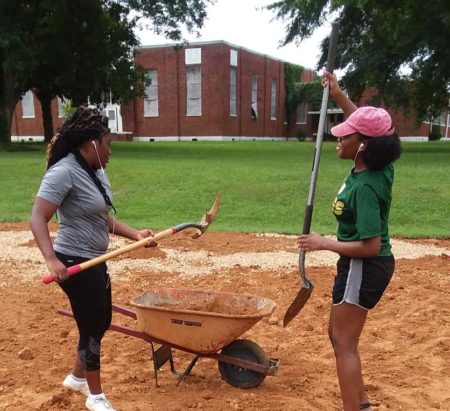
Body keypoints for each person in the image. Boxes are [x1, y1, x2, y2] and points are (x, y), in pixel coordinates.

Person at [30, 107, 155, 411]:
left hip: (96, 259)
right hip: (74, 261)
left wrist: (135, 234)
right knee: (93, 325)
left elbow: (103, 218)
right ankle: (95, 396)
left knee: (99, 322)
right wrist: (51, 260)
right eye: (108, 143)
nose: (111, 150)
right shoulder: (63, 171)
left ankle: (76, 378)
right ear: (91, 144)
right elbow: (37, 217)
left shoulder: (95, 171)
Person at [297, 71, 402, 411]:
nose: (337, 139)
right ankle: (362, 405)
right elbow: (369, 124)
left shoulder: (368, 186)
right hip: (358, 264)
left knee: (343, 342)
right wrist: (339, 93)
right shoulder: (376, 161)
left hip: (364, 264)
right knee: (339, 337)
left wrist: (323, 242)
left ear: (363, 145)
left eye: (345, 137)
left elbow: (370, 246)